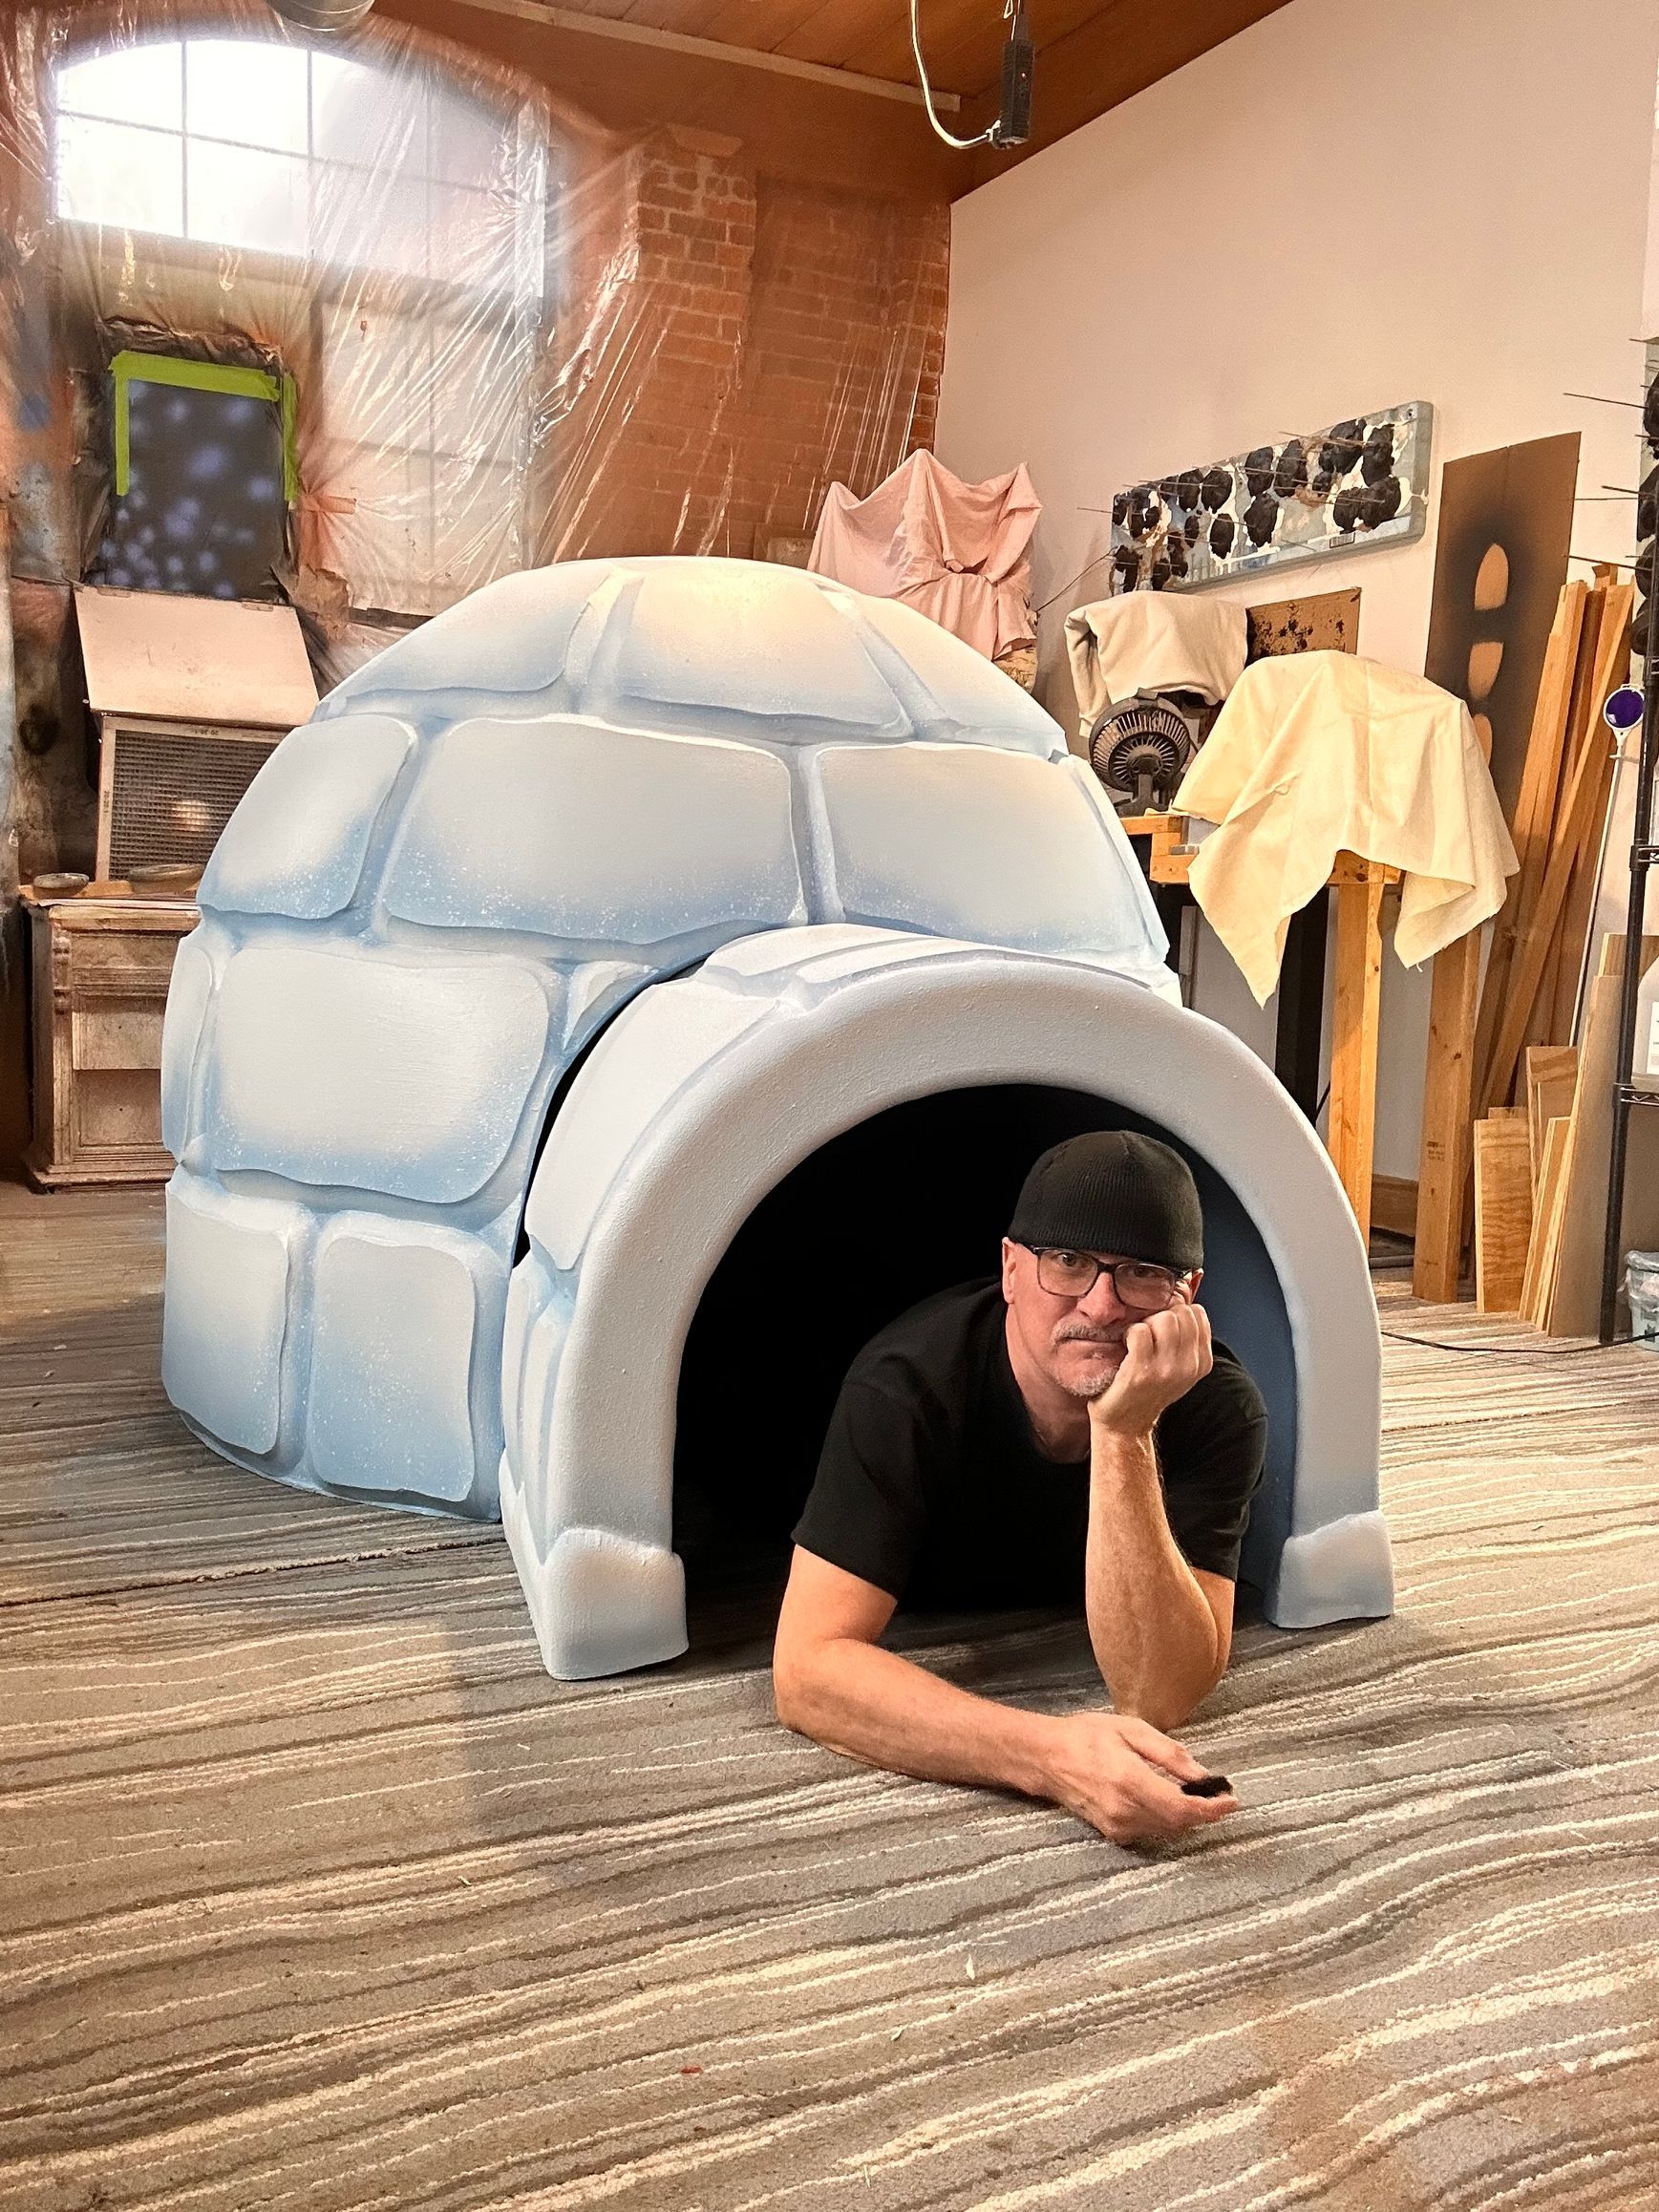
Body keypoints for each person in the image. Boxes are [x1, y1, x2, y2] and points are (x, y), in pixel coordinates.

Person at [772, 1130, 1268, 1846]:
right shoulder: (908, 1384)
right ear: (1010, 1269)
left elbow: (1158, 1692)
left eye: (1140, 1273)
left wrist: (1123, 1431)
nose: (1100, 1307)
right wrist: (1047, 1756)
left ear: (1184, 1296)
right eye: (1066, 1262)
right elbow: (806, 1670)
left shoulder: (1217, 1404)